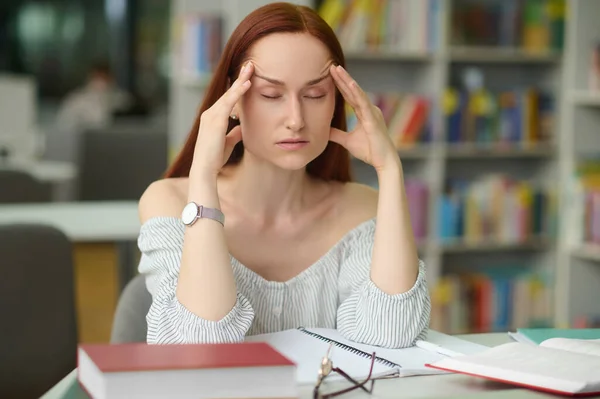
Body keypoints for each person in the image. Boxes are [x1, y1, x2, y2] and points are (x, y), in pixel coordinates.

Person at [138, 2, 430, 349]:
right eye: (271, 95)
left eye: (315, 94)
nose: (296, 118)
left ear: (337, 100)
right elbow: (199, 346)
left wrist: (390, 169)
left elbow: (390, 334)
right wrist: (204, 175)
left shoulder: (362, 209)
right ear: (233, 98)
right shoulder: (170, 201)